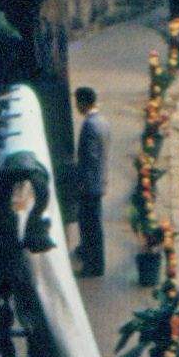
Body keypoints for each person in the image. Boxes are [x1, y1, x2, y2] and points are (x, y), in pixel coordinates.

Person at [73, 86, 108, 278]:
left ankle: (93, 266)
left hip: (89, 185)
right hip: (99, 182)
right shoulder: (102, 122)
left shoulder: (89, 126)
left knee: (89, 227)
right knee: (94, 225)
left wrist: (81, 182)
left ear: (83, 103)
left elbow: (89, 158)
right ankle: (94, 262)